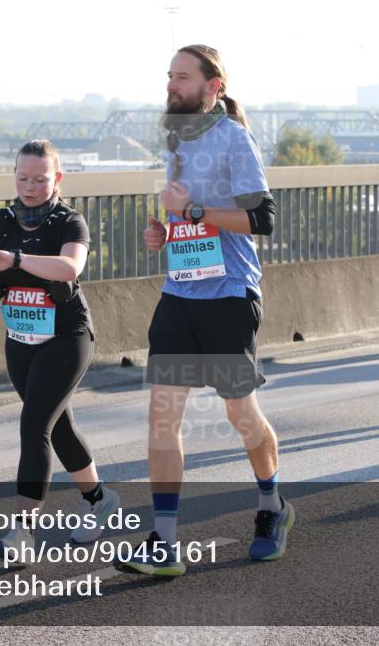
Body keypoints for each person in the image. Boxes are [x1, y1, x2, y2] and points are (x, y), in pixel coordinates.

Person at [116, 45, 291, 577]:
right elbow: (181, 219)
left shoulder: (235, 139)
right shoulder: (174, 139)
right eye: (169, 75)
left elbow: (262, 218)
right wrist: (161, 232)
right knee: (163, 415)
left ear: (213, 86)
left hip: (230, 295)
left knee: (241, 415)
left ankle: (272, 506)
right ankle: (163, 543)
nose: (172, 84)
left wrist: (192, 210)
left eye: (183, 77)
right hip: (180, 295)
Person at [0, 140, 119, 553]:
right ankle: (99, 500)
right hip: (20, 339)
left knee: (34, 426)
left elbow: (69, 267)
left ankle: (22, 532)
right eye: (22, 178)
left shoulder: (69, 222)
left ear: (57, 179)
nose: (30, 187)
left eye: (40, 179)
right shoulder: (1, 220)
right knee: (58, 428)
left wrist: (14, 258)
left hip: (67, 337)